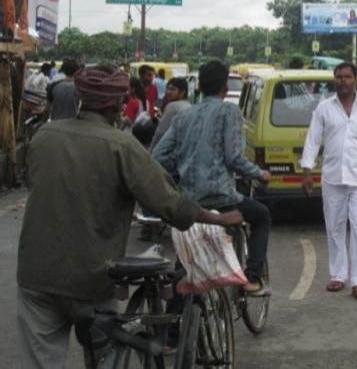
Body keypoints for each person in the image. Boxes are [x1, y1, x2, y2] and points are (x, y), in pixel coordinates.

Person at [16, 65, 243, 368]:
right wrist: (218, 219)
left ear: (82, 100)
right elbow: (171, 204)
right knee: (103, 355)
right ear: (117, 105)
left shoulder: (44, 135)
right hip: (90, 280)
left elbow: (33, 178)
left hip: (36, 276)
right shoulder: (121, 145)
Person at [152, 59, 272, 294]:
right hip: (222, 198)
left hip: (189, 201)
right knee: (262, 216)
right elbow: (234, 158)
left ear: (199, 87)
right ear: (225, 87)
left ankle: (176, 322)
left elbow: (158, 155)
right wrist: (261, 174)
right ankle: (253, 278)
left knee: (186, 258)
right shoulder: (230, 110)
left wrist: (181, 172)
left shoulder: (184, 115)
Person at [300, 62, 357, 300]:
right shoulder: (324, 109)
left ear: (355, 79)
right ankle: (338, 275)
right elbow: (313, 140)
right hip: (333, 177)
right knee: (335, 226)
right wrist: (307, 172)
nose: (342, 81)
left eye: (347, 77)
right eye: (338, 77)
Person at [150, 77, 191, 149]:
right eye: (168, 88)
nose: (168, 92)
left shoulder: (172, 106)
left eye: (173, 89)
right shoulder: (189, 105)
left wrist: (151, 149)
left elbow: (160, 132)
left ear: (182, 93)